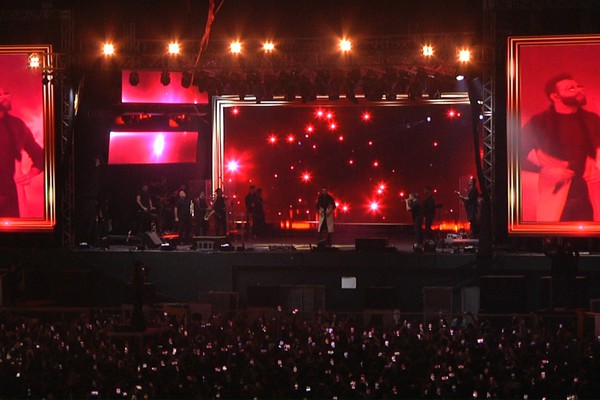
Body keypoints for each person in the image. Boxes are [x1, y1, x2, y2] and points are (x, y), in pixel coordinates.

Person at [521, 73, 600, 221]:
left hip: (589, 197)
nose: (578, 90)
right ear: (555, 96)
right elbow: (515, 156)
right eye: (571, 88)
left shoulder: (592, 120)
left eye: (578, 86)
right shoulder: (539, 122)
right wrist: (545, 170)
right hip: (554, 197)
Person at [0, 87, 44, 217]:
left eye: (6, 93)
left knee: (12, 236)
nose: (5, 97)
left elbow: (39, 156)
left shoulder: (16, 125)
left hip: (10, 199)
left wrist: (29, 174)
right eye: (0, 94)